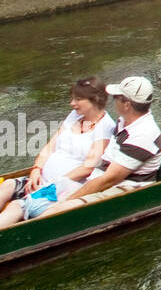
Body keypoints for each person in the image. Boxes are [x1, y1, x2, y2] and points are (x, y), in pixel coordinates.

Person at [35, 77, 161, 219]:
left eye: (116, 97)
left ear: (127, 105)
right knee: (42, 199)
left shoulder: (143, 135)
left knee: (54, 211)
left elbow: (109, 179)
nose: (112, 100)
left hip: (124, 189)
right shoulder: (124, 121)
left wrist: (68, 200)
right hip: (100, 180)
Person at [0, 77, 115, 228]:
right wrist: (36, 169)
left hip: (63, 188)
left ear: (95, 100)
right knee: (8, 184)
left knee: (17, 205)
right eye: (72, 98)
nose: (72, 103)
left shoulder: (106, 126)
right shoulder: (75, 116)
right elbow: (50, 146)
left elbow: (88, 168)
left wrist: (54, 183)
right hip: (42, 180)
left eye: (78, 99)